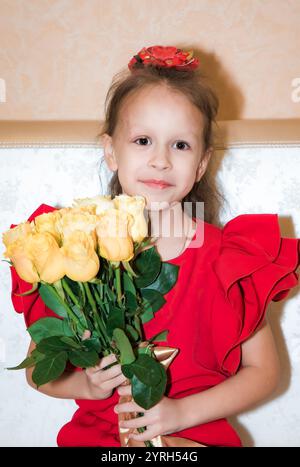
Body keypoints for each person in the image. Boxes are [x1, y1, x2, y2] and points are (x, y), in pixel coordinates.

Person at [9, 45, 300, 447]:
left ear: (200, 163)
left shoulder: (227, 260)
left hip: (196, 438)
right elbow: (38, 371)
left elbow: (265, 373)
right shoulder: (75, 252)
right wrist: (85, 386)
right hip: (100, 440)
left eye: (180, 145)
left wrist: (181, 412)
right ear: (111, 151)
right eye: (143, 140)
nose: (161, 160)